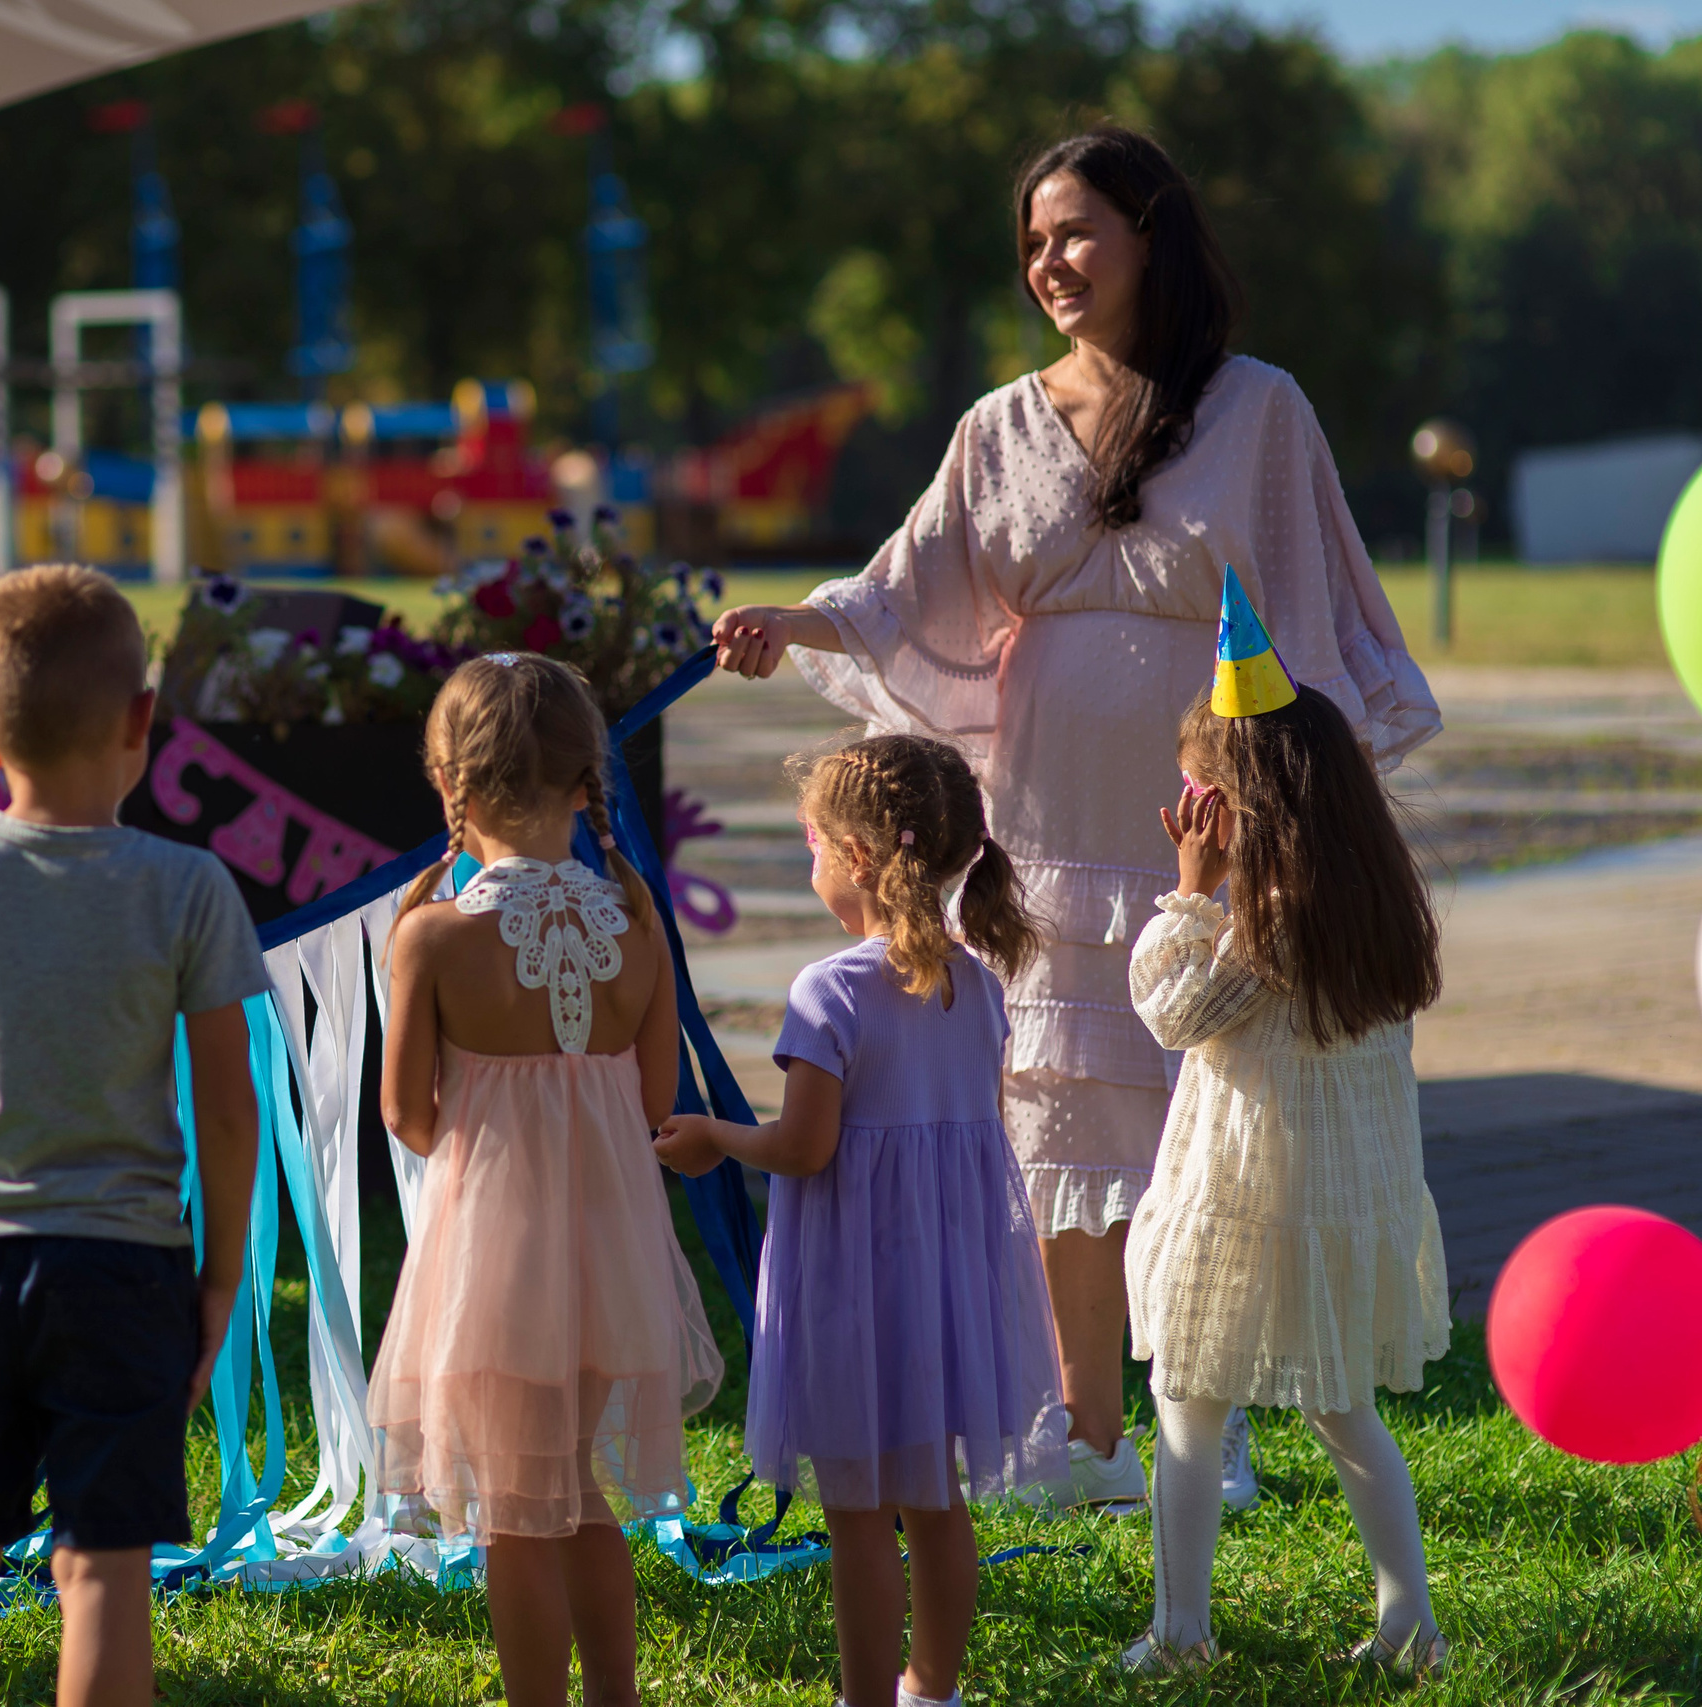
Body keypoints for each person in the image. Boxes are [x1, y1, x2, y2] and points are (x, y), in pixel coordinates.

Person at [708, 126, 1439, 1510]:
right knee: (1057, 1135)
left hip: (1202, 819)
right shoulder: (997, 425)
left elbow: (1303, 613)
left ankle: (1203, 1423)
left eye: (1076, 232)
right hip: (1041, 820)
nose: (1049, 261)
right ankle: (1086, 1434)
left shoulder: (1261, 408)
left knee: (1203, 1127)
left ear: (1150, 233)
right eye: (1032, 241)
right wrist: (793, 620)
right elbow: (905, 586)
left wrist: (1292, 813)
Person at [0, 566, 266, 1707]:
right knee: (103, 1572)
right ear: (143, 720)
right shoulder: (189, 886)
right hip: (128, 1271)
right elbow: (229, 1106)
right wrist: (219, 1276)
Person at [655, 733, 1064, 1707]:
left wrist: (714, 1135)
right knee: (936, 1500)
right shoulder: (977, 986)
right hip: (946, 1286)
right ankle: (933, 1690)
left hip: (851, 1286)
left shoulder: (829, 990)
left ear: (859, 856)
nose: (811, 859)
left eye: (812, 842)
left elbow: (805, 1147)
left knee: (856, 1515)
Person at [369, 653, 723, 1707]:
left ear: (452, 787)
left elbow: (406, 1115)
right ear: (585, 784)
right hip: (610, 1255)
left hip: (494, 1261)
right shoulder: (638, 922)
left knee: (513, 1512)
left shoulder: (433, 935)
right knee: (577, 1487)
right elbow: (654, 1095)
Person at [1119, 572, 1449, 1674]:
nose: (1189, 808)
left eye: (1200, 788)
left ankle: (1180, 1636)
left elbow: (1173, 1013)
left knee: (1185, 1403)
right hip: (1334, 1198)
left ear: (1243, 800)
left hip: (1245, 1195)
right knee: (1341, 1408)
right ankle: (1409, 1624)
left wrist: (1186, 890)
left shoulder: (1262, 914)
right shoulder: (1361, 898)